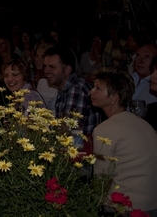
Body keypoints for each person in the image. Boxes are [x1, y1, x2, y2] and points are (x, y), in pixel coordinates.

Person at [90, 71, 157, 214]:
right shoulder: (144, 124)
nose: (91, 91)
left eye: (98, 88)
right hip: (151, 204)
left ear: (114, 98)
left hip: (125, 207)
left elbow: (101, 180)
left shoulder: (104, 130)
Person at [43, 46, 99, 136]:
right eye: (45, 66)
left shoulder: (76, 89)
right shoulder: (65, 88)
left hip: (82, 143)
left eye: (52, 67)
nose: (46, 71)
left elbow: (68, 131)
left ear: (67, 70)